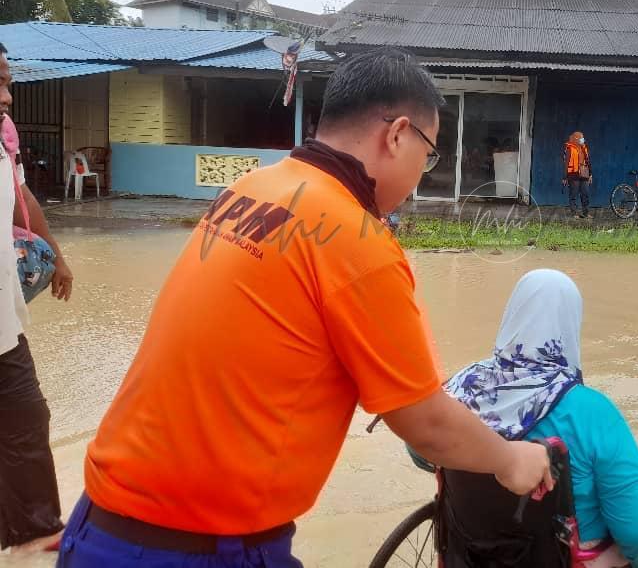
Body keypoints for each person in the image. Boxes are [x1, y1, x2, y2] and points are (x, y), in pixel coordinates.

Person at [57, 47, 552, 567]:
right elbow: (424, 421)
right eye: (428, 153)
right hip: (200, 548)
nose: (420, 173)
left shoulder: (252, 186)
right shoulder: (358, 239)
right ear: (398, 134)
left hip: (97, 526)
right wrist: (509, 459)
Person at [446, 269, 638, 567]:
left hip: (468, 548)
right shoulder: (591, 411)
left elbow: (423, 452)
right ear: (570, 326)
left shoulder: (460, 387)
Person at [0, 45, 74, 554]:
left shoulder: (4, 141)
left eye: (7, 81)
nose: (6, 96)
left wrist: (57, 256)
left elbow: (21, 198)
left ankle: (37, 530)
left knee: (27, 420)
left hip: (5, 323)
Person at [563, 131, 592, 219]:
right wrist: (564, 177)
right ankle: (574, 213)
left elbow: (588, 162)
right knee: (573, 194)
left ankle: (586, 213)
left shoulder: (584, 148)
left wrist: (590, 174)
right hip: (573, 174)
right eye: (580, 138)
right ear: (576, 138)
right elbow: (566, 163)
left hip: (584, 174)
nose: (582, 139)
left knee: (585, 194)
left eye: (582, 138)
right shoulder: (569, 148)